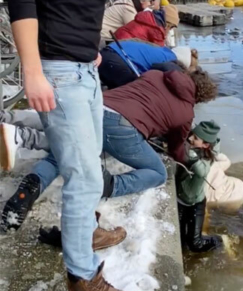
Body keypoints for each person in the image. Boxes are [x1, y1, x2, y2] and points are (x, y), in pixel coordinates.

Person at [6, 0, 139, 291]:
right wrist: (33, 70)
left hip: (84, 69)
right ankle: (83, 283)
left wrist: (87, 46)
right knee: (84, 176)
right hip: (60, 72)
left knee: (90, 160)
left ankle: (84, 233)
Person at [1, 68, 217, 232]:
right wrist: (188, 161)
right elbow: (176, 149)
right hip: (120, 128)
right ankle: (110, 184)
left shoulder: (154, 74)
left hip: (94, 110)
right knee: (158, 172)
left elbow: (143, 102)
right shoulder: (186, 113)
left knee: (62, 154)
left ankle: (24, 195)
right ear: (199, 97)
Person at [177, 121, 230, 252]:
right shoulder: (193, 147)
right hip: (180, 201)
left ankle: (220, 240)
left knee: (196, 244)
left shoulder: (206, 158)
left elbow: (202, 171)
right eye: (192, 135)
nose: (190, 139)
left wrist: (191, 155)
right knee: (182, 240)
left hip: (195, 203)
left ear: (206, 145)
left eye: (195, 138)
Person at [99, 39, 198, 89]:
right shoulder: (170, 61)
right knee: (132, 92)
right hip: (118, 60)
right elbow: (159, 67)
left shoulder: (162, 50)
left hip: (108, 52)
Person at [114, 5, 179, 46]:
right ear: (168, 24)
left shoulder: (150, 18)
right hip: (124, 45)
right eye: (171, 27)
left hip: (118, 38)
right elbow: (159, 49)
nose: (170, 29)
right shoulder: (157, 29)